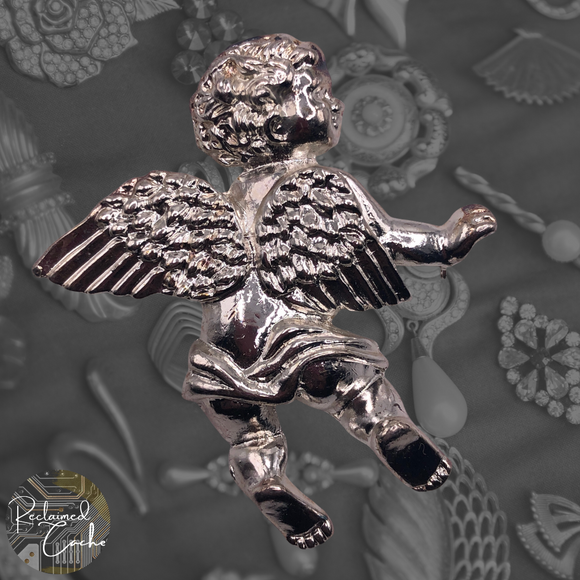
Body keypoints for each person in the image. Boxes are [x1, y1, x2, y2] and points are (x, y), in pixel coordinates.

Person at [34, 33, 496, 549]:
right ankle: (385, 427)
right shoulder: (318, 191)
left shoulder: (213, 210)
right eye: (315, 92)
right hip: (302, 342)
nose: (334, 102)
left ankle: (264, 479)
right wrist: (449, 241)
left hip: (221, 356)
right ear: (278, 124)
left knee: (248, 431)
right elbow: (391, 241)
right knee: (358, 388)